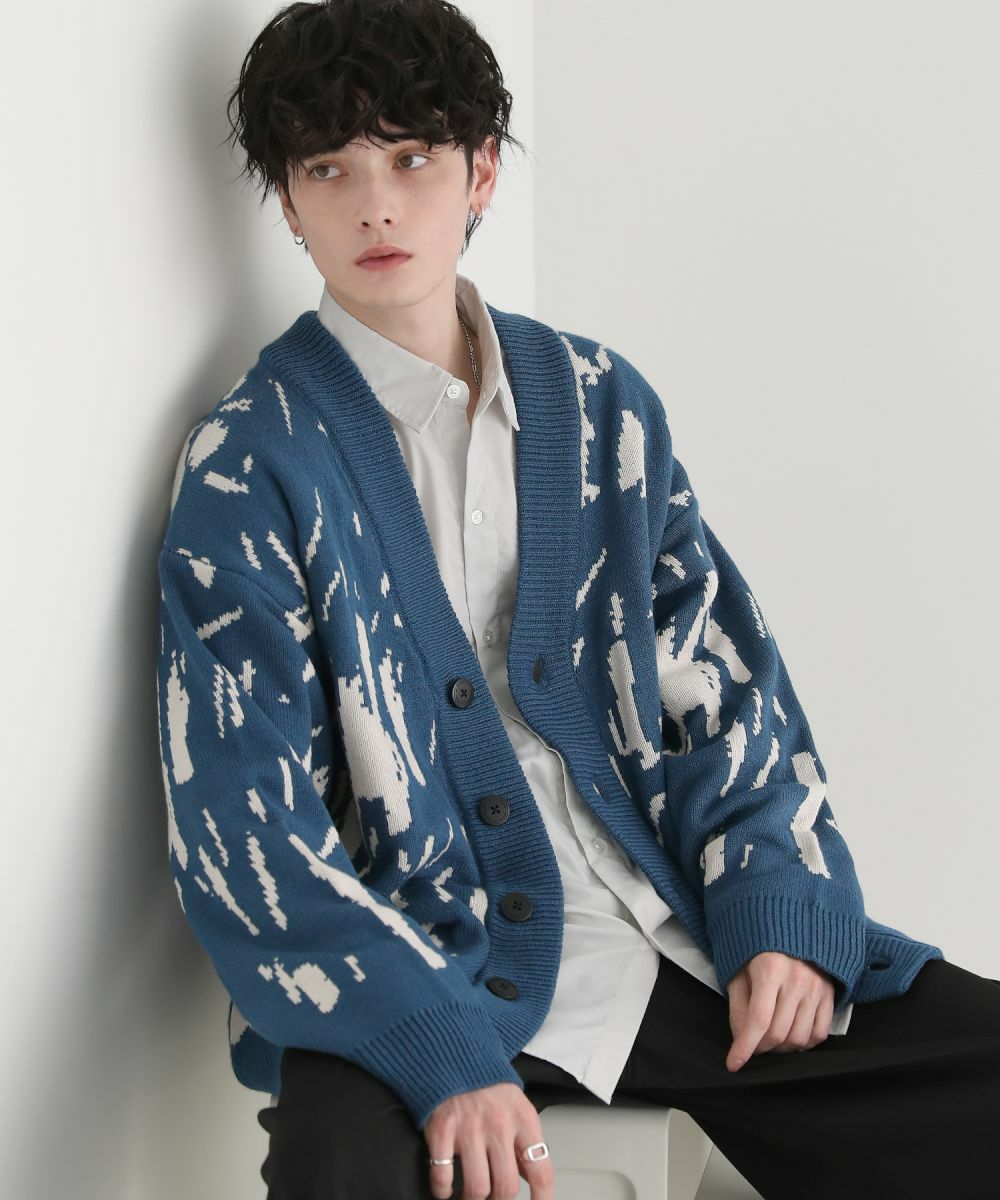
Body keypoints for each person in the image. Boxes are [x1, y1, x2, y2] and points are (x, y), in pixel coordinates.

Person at [154, 1, 1000, 1197]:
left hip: (663, 934)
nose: (375, 207)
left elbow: (719, 686)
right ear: (289, 205)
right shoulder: (251, 464)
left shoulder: (600, 405)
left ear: (481, 172)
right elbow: (242, 825)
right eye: (328, 169)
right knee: (337, 1176)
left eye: (412, 158)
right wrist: (440, 1055)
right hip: (417, 968)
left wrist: (773, 904)